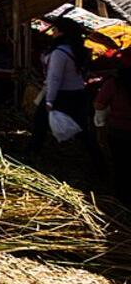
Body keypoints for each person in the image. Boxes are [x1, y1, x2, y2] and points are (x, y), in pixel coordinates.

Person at [28, 19, 99, 158]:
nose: (52, 32)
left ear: (61, 32)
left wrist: (49, 101)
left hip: (61, 94)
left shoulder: (59, 53)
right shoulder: (77, 49)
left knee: (40, 124)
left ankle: (31, 153)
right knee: (82, 129)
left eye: (55, 30)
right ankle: (97, 160)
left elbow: (55, 78)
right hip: (77, 93)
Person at [95, 53, 131, 199]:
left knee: (121, 166)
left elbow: (99, 104)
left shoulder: (114, 83)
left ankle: (122, 198)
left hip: (119, 131)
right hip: (120, 131)